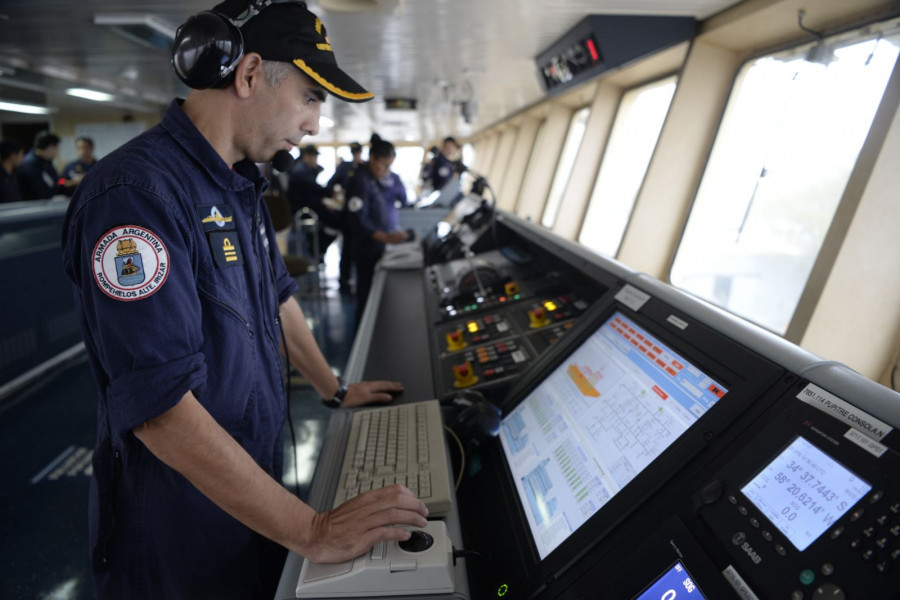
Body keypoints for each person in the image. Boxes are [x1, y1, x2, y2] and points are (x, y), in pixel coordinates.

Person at [61, 2, 427, 598]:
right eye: (310, 97)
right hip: (176, 533)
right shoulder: (135, 198)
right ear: (250, 73)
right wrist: (312, 530)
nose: (313, 124)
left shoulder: (241, 184)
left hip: (251, 491)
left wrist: (331, 387)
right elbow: (159, 409)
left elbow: (277, 298)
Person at [345, 134, 410, 324]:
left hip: (377, 245)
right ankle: (361, 338)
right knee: (365, 295)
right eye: (383, 165)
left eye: (390, 166)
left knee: (374, 293)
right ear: (372, 158)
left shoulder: (375, 178)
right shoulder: (361, 181)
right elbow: (357, 218)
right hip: (366, 247)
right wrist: (385, 237)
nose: (386, 171)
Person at [287, 143, 341, 259]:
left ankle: (318, 250)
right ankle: (318, 250)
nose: (316, 160)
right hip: (304, 209)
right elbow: (317, 190)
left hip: (309, 206)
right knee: (338, 221)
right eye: (314, 157)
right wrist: (331, 192)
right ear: (306, 156)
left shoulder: (303, 169)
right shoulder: (301, 171)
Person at [327, 142, 364, 293]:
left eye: (358, 151)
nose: (356, 154)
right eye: (354, 151)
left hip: (363, 215)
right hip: (348, 214)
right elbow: (330, 184)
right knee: (347, 249)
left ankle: (360, 280)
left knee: (362, 250)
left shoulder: (364, 168)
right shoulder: (345, 168)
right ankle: (344, 281)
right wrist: (337, 196)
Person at [16, 130, 67, 200]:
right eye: (56, 148)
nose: (57, 152)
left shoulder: (46, 161)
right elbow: (42, 192)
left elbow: (57, 180)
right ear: (50, 146)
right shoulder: (30, 165)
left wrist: (64, 182)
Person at [0, 139, 24, 204]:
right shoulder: (2, 177)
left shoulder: (14, 174)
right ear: (13, 156)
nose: (23, 159)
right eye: (21, 155)